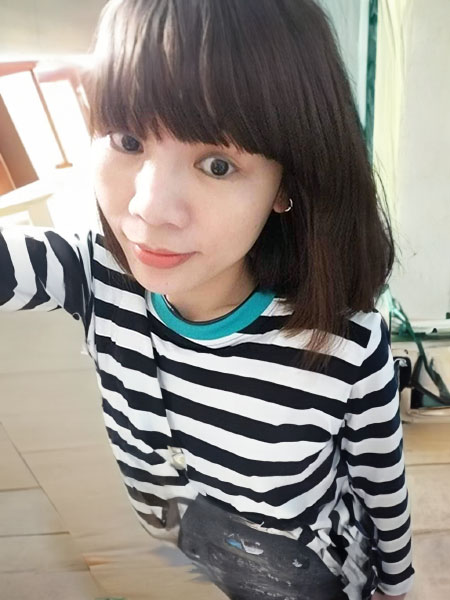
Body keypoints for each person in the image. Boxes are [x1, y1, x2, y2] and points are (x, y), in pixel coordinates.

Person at [0, 1, 414, 599]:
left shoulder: (341, 344)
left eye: (217, 165)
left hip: (310, 576)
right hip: (200, 557)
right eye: (128, 139)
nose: (148, 209)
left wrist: (395, 586)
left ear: (287, 184)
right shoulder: (97, 276)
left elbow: (381, 482)